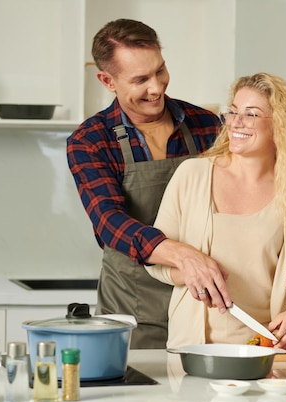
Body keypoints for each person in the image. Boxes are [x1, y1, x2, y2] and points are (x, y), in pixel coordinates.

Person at [145, 72, 286, 350]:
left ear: (280, 125)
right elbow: (155, 260)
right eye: (233, 111)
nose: (236, 122)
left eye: (252, 114)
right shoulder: (192, 175)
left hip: (270, 348)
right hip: (194, 348)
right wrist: (189, 273)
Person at [66, 18, 224, 348]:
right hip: (134, 311)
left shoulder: (207, 125)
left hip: (207, 302)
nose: (157, 88)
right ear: (107, 80)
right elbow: (110, 222)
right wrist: (182, 256)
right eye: (140, 80)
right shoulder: (90, 140)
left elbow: (244, 198)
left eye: (160, 71)